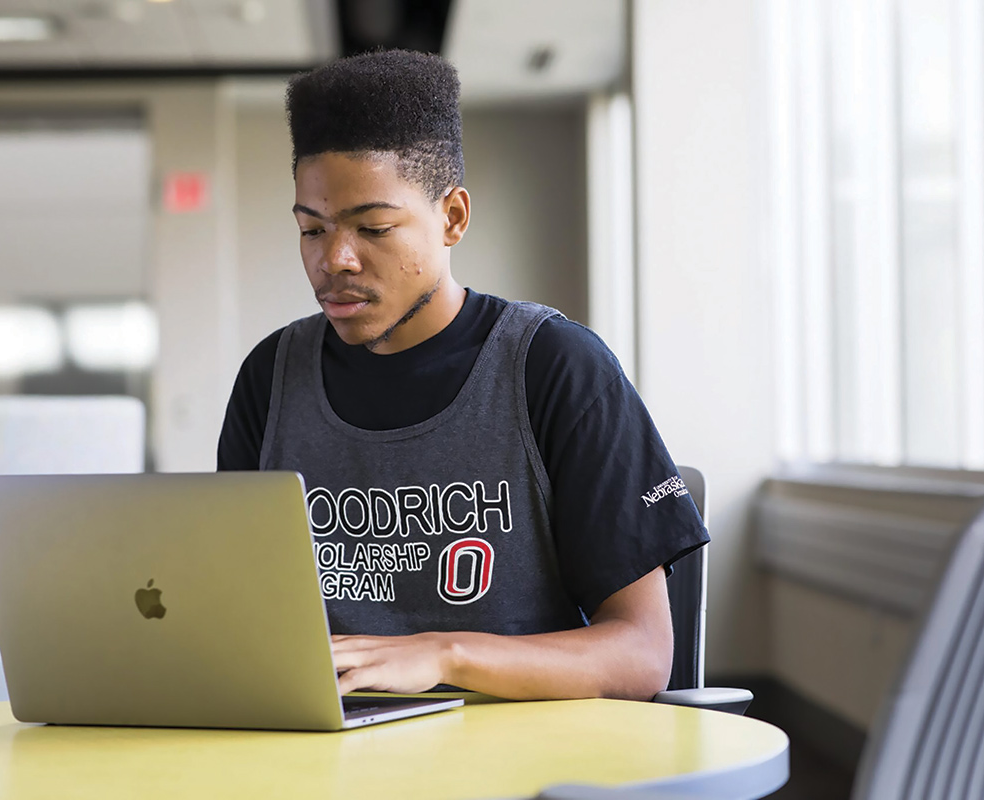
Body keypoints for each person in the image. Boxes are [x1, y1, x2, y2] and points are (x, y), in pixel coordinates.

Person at [217, 49, 708, 701]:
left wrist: (447, 656)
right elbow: (236, 619)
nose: (335, 259)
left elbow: (643, 654)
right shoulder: (270, 379)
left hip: (517, 755)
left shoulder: (555, 367)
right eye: (313, 230)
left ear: (452, 217)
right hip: (328, 759)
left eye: (374, 228)